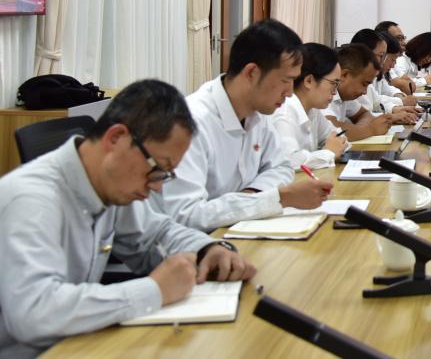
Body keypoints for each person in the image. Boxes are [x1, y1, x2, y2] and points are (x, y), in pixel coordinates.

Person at [0, 80, 256, 357]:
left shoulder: (107, 183)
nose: (157, 187)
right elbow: (34, 313)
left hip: (79, 341)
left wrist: (208, 249)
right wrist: (154, 290)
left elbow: (156, 233)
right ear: (116, 138)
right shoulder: (32, 200)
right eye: (157, 169)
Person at [151, 19, 333, 232]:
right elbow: (187, 215)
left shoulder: (259, 113)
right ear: (251, 73)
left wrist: (251, 197)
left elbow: (281, 167)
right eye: (286, 80)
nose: (290, 92)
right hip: (199, 242)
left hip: (237, 230)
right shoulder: (192, 122)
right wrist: (275, 199)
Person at [269, 42, 351, 170]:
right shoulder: (284, 112)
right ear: (309, 81)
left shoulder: (312, 110)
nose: (335, 92)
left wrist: (330, 149)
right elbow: (288, 161)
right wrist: (329, 153)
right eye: (333, 84)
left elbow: (340, 138)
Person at [324, 43, 395, 139]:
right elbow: (332, 130)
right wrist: (370, 130)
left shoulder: (345, 95)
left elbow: (364, 114)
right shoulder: (325, 94)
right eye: (364, 84)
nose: (365, 92)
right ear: (344, 75)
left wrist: (360, 130)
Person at [349, 29, 418, 124]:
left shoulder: (368, 75)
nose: (382, 62)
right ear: (364, 53)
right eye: (381, 56)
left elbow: (376, 100)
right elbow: (360, 118)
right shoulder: (351, 80)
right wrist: (392, 115)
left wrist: (394, 109)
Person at [375, 20, 415, 94]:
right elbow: (407, 86)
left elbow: (408, 85)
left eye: (403, 38)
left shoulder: (391, 62)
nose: (404, 43)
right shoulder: (382, 64)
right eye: (399, 38)